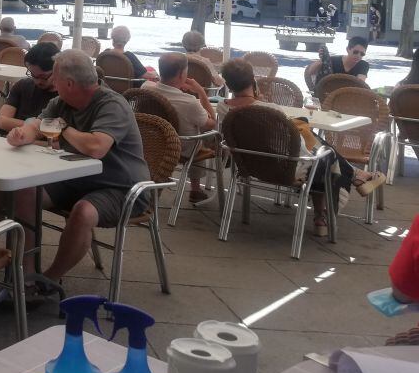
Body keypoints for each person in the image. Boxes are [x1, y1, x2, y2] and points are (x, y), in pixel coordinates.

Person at [0, 50, 151, 286]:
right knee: (20, 191)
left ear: (68, 83)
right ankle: (22, 273)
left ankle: (49, 280)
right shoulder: (61, 102)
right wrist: (22, 134)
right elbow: (37, 125)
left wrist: (63, 127)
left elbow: (96, 147)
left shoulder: (112, 104)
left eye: (55, 79)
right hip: (75, 179)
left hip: (122, 188)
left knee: (83, 212)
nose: (52, 84)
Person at [217, 58, 384, 236]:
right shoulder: (271, 109)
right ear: (253, 80)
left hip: (250, 166)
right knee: (324, 156)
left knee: (320, 149)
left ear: (228, 84)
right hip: (286, 168)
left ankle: (356, 177)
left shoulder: (222, 108)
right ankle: (329, 208)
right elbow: (301, 149)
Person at [142, 53, 215, 203]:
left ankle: (195, 188)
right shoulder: (189, 102)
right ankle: (195, 188)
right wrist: (201, 92)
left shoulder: (146, 89)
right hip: (182, 148)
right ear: (182, 73)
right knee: (201, 135)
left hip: (152, 143)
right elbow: (211, 122)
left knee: (194, 130)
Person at [0, 42, 60, 134]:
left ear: (57, 70)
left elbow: (61, 136)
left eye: (43, 77)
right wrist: (40, 128)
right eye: (33, 75)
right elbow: (1, 122)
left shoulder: (65, 96)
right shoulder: (22, 86)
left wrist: (18, 127)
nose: (38, 81)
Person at [304, 35, 370, 89]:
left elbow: (360, 83)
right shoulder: (332, 60)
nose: (358, 56)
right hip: (328, 94)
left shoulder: (363, 65)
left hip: (349, 96)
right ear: (348, 49)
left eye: (362, 54)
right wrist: (322, 60)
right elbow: (310, 72)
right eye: (355, 52)